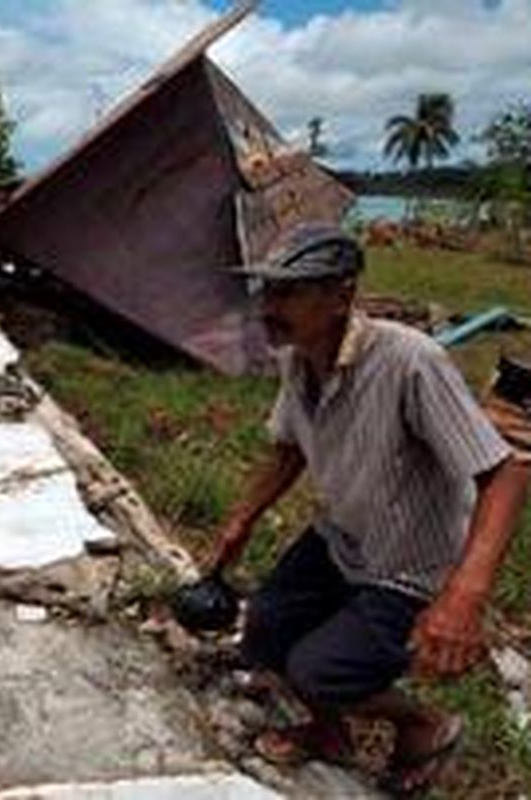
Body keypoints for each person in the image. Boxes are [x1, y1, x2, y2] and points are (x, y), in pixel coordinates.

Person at [212, 223, 529, 794]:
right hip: (344, 537)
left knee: (319, 669)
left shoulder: (410, 362)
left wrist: (465, 594)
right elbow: (287, 448)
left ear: (341, 297)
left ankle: (426, 724)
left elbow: (503, 470)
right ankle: (330, 733)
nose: (269, 306)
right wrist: (243, 518)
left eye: (288, 292)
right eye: (266, 291)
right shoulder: (300, 356)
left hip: (411, 564)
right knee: (262, 630)